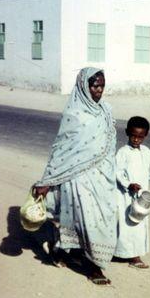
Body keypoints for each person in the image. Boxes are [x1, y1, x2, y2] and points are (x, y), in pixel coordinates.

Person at [34, 67, 117, 285]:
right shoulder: (74, 114)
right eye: (94, 85)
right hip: (77, 176)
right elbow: (61, 150)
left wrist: (110, 172)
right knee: (85, 220)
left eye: (102, 85)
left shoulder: (106, 110)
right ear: (83, 86)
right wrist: (47, 181)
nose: (99, 90)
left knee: (100, 218)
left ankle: (62, 251)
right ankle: (93, 267)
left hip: (102, 175)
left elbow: (110, 144)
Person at [114, 116, 150, 268]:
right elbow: (117, 172)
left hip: (142, 198)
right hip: (126, 196)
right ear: (127, 133)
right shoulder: (123, 152)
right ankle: (131, 257)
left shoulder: (146, 152)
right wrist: (128, 184)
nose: (136, 140)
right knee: (126, 225)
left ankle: (134, 254)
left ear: (146, 135)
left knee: (139, 224)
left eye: (140, 137)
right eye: (133, 136)